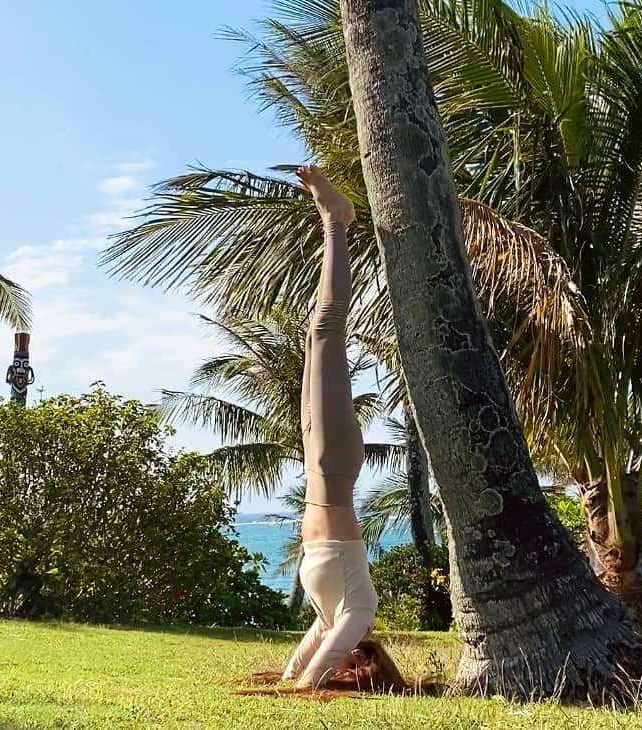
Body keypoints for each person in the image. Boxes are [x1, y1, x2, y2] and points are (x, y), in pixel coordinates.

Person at [281, 165, 379, 690]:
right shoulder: (360, 609)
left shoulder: (329, 613)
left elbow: (295, 675)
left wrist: (289, 682)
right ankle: (336, 221)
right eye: (360, 664)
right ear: (367, 659)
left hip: (321, 466)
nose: (349, 664)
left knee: (315, 336)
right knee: (326, 330)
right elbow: (310, 685)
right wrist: (315, 683)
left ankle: (335, 220)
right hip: (334, 464)